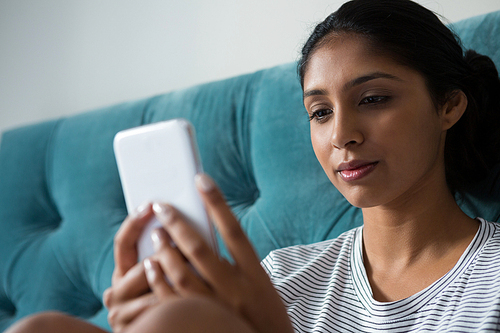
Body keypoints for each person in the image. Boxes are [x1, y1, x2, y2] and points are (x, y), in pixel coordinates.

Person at [6, 0, 500, 332]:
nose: (341, 135)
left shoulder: (490, 280)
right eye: (320, 112)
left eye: (373, 98)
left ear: (448, 106)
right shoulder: (282, 273)